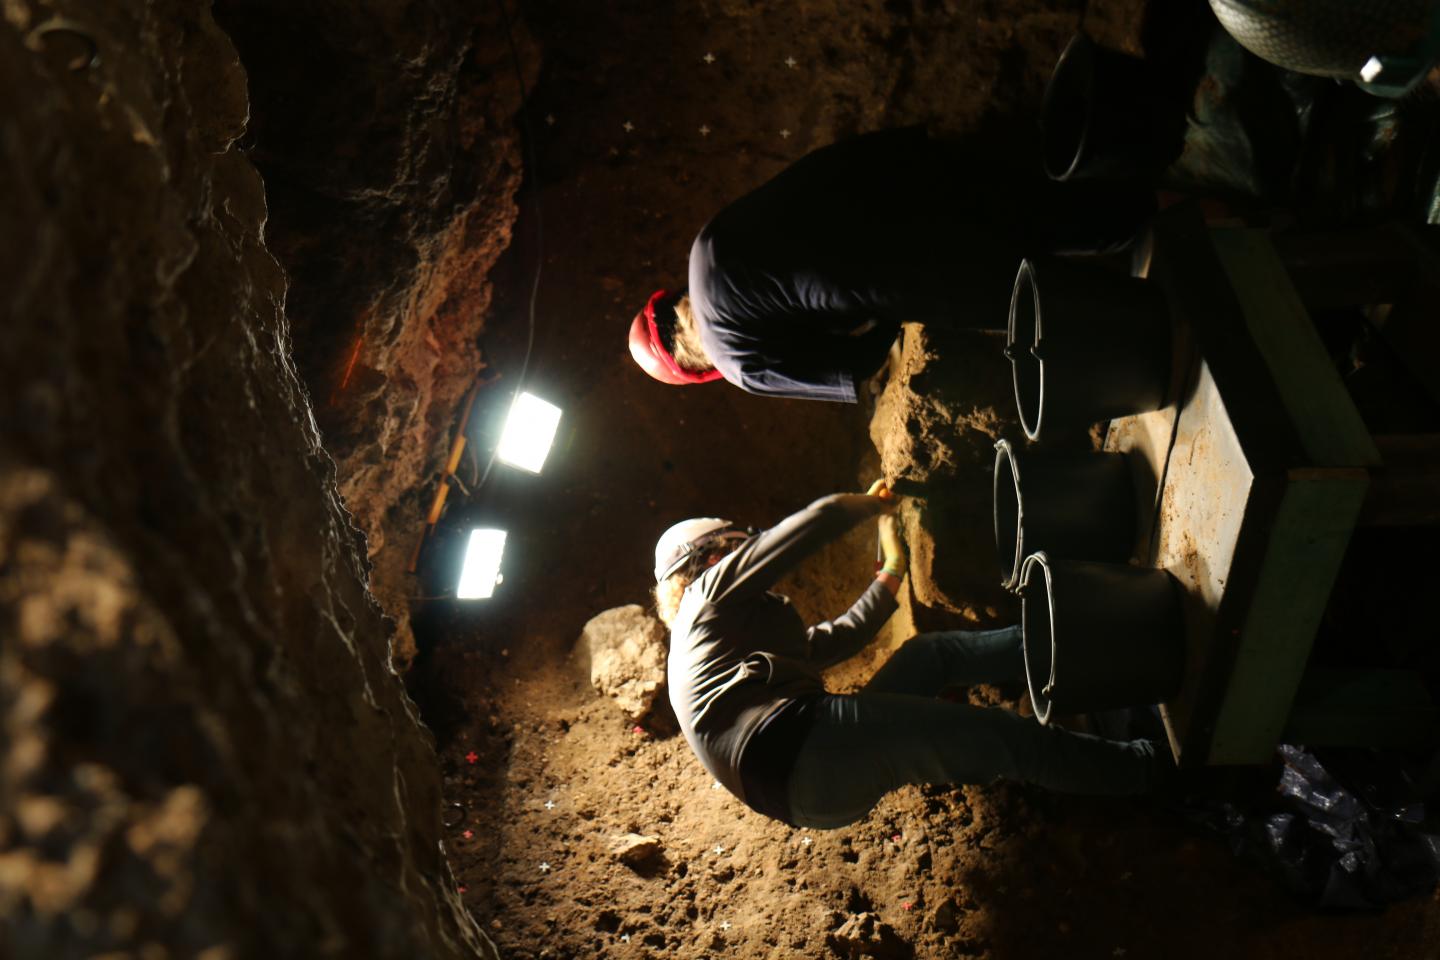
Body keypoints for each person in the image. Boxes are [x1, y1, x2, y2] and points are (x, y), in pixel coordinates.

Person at [653, 482, 1164, 829]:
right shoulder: (706, 600)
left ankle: (1082, 637)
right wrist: (872, 505)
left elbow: (841, 638)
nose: (747, 550)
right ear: (713, 556)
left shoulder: (717, 644)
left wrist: (892, 564)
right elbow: (819, 520)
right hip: (804, 749)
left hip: (804, 787)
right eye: (738, 544)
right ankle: (1156, 771)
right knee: (1006, 740)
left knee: (930, 656)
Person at [628, 126, 1154, 403]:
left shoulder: (738, 365)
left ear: (694, 370)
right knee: (1039, 209)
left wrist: (890, 318)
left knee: (1033, 299)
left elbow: (854, 366)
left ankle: (1159, 317)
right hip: (887, 171)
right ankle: (1168, 206)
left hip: (895, 269)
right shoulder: (706, 245)